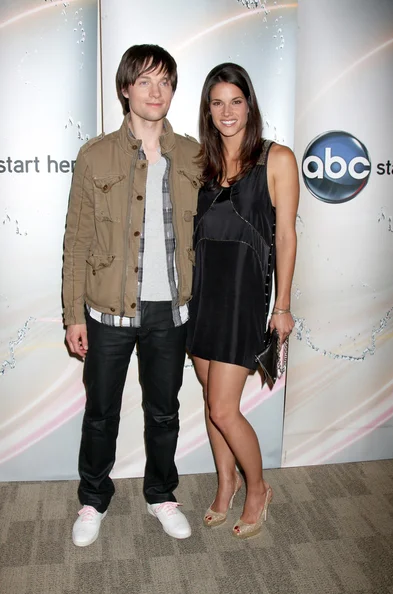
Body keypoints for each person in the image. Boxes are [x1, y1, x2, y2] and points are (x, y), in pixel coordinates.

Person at [62, 44, 200, 546]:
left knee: (164, 412)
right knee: (102, 413)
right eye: (144, 81)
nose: (155, 91)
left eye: (164, 81)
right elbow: (75, 242)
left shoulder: (192, 154)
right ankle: (93, 499)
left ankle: (162, 494)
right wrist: (72, 313)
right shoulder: (94, 155)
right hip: (107, 312)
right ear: (125, 88)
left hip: (171, 312)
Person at [187, 63, 299, 539]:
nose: (226, 111)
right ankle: (226, 481)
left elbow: (288, 237)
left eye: (235, 101)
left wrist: (283, 305)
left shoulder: (277, 159)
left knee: (223, 408)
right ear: (207, 110)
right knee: (211, 403)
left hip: (246, 298)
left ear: (249, 105)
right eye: (217, 102)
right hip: (203, 295)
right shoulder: (202, 164)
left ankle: (258, 489)